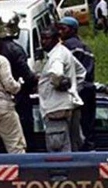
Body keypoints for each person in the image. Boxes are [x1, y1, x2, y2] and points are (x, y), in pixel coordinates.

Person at [0, 12, 38, 149]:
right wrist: (34, 81)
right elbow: (26, 75)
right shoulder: (16, 50)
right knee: (23, 135)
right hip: (18, 97)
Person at [38, 26, 84, 153]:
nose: (43, 42)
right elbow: (81, 72)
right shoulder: (64, 52)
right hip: (68, 106)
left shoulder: (56, 56)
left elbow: (57, 73)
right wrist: (73, 90)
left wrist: (57, 84)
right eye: (42, 38)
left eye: (47, 38)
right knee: (72, 147)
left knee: (59, 153)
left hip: (56, 109)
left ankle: (62, 173)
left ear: (56, 39)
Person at [58, 16, 96, 151]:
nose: (60, 32)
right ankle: (90, 152)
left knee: (74, 129)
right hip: (89, 90)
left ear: (73, 30)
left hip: (76, 91)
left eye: (63, 29)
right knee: (88, 126)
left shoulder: (65, 48)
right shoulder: (87, 48)